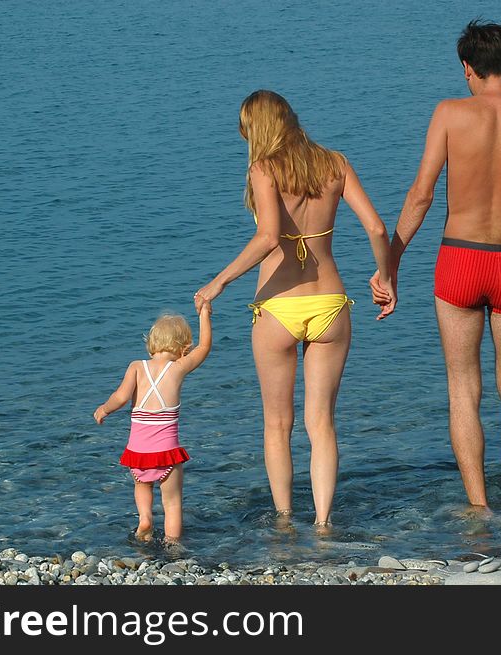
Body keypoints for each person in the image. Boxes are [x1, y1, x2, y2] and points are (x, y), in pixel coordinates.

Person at [372, 20, 501, 508]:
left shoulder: (448, 114)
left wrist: (390, 263)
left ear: (467, 69)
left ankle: (478, 506)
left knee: (463, 391)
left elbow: (421, 196)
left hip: (459, 258)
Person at [194, 90, 395, 528]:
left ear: (259, 128)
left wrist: (218, 282)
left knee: (276, 424)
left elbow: (268, 237)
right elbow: (378, 227)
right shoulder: (335, 164)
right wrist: (385, 276)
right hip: (330, 304)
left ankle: (284, 520)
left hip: (278, 307)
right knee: (320, 422)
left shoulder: (263, 169)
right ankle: (323, 522)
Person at [93, 305, 212, 543]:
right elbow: (205, 347)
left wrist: (104, 409)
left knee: (142, 486)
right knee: (172, 502)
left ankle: (145, 517)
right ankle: (172, 544)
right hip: (166, 453)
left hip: (138, 452)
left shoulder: (136, 367)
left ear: (152, 342)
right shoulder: (178, 368)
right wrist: (204, 315)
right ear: (183, 348)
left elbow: (121, 396)